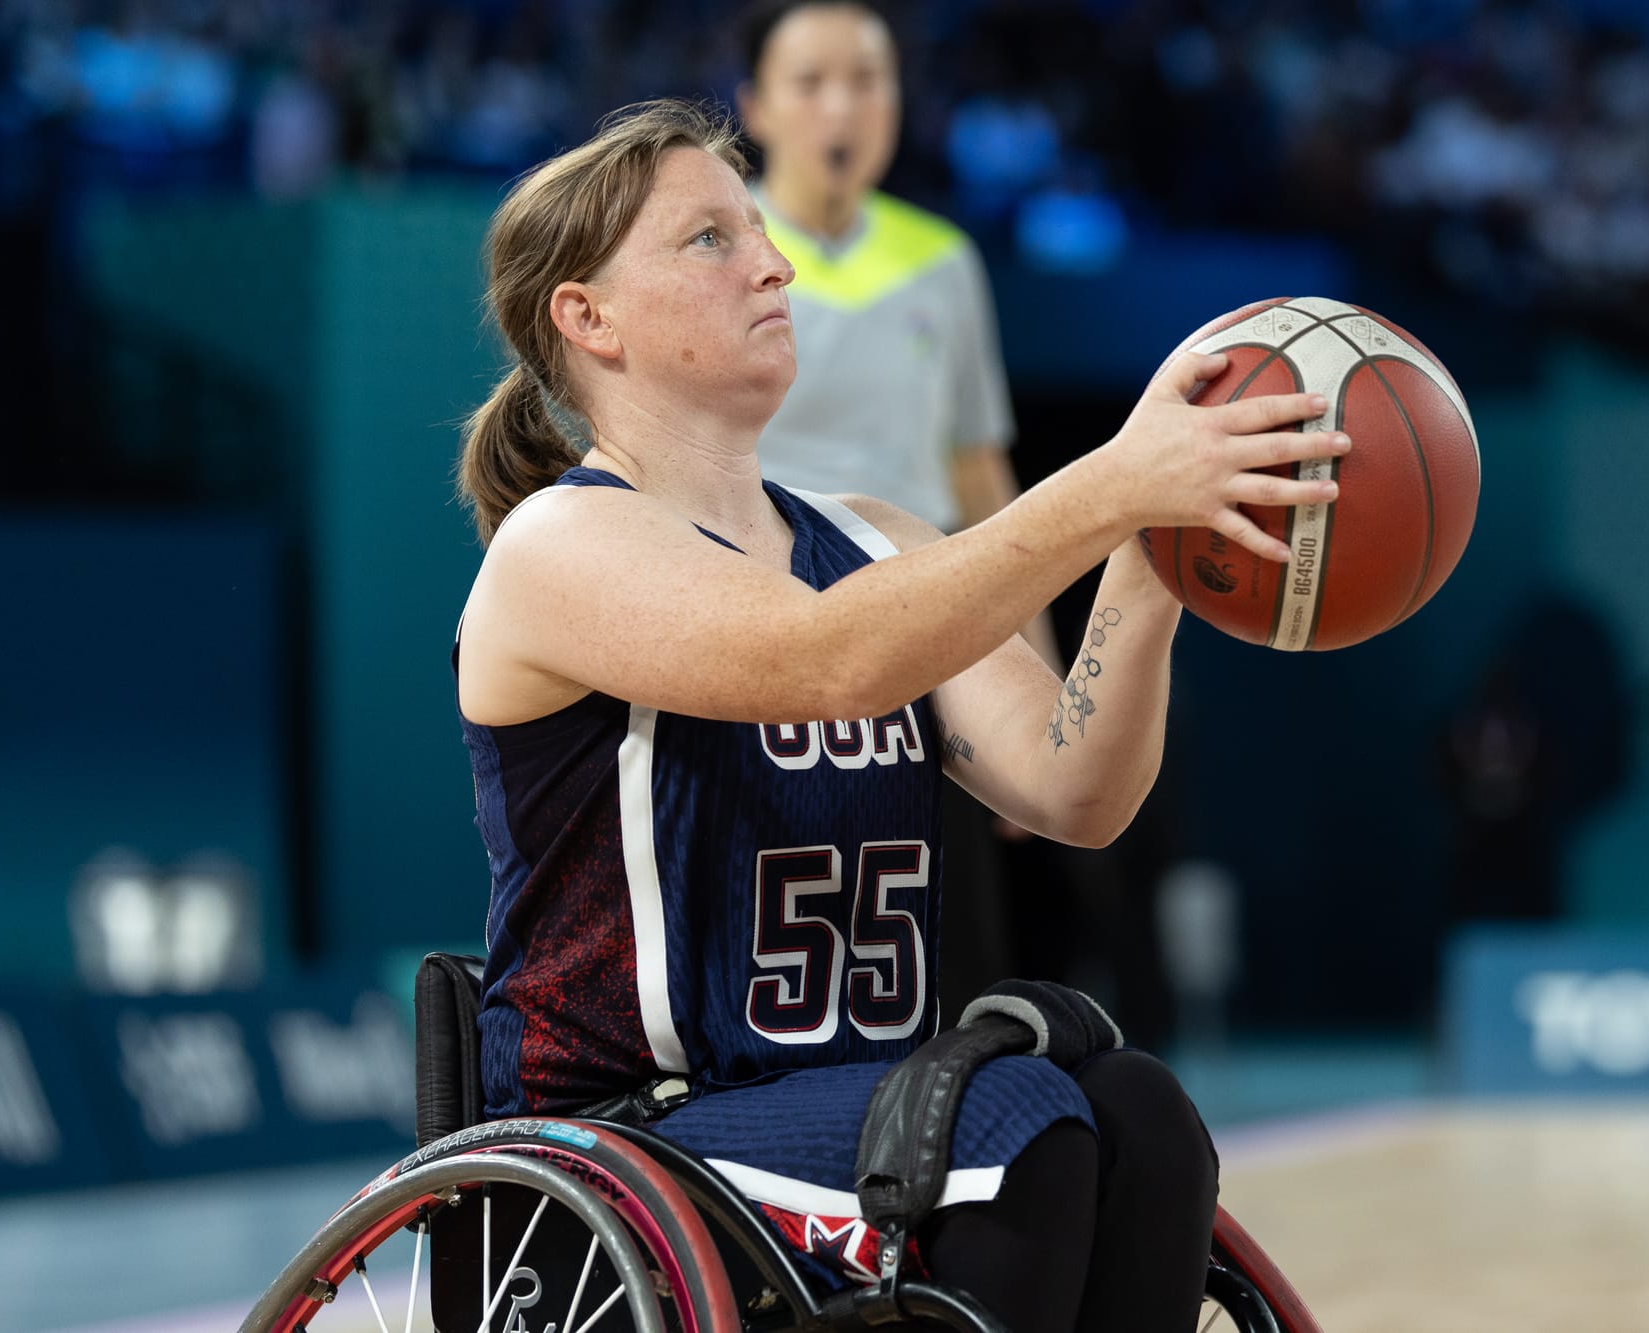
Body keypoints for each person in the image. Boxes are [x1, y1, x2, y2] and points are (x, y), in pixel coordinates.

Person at [452, 99, 1348, 1333]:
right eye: (709, 239)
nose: (771, 262)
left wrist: (1152, 553)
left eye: (758, 230)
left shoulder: (874, 539)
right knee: (1011, 1129)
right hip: (630, 1139)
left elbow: (1075, 788)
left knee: (1139, 1113)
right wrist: (1108, 480)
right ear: (587, 317)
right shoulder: (561, 542)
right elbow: (829, 658)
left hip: (865, 1113)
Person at [734, 0, 1058, 1019]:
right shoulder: (716, 253)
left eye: (867, 79)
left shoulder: (942, 262)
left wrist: (1037, 676)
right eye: (810, 81)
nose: (842, 106)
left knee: (950, 964)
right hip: (759, 635)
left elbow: (981, 481)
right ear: (755, 106)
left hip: (929, 633)